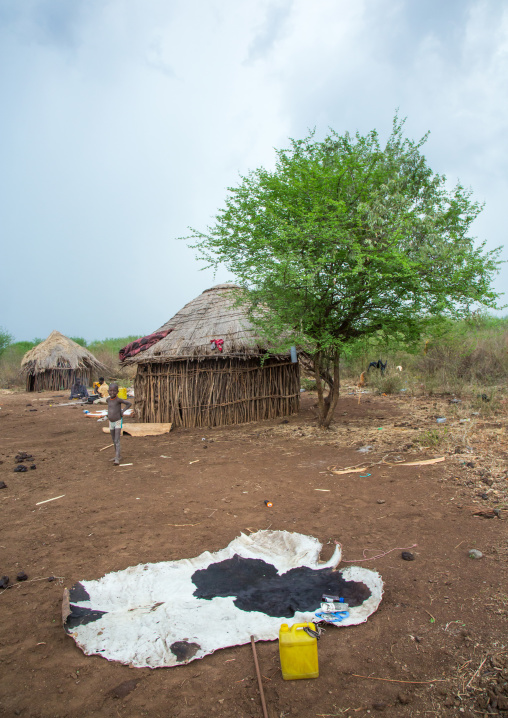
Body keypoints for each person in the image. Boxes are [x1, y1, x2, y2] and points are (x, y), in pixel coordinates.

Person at [106, 383, 132, 465]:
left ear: (117, 391)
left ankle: (117, 458)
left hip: (117, 421)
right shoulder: (108, 400)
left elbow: (129, 404)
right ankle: (118, 455)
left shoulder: (118, 400)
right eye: (110, 390)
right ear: (108, 391)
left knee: (117, 440)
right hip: (111, 422)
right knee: (114, 439)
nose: (112, 392)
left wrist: (122, 411)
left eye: (114, 391)